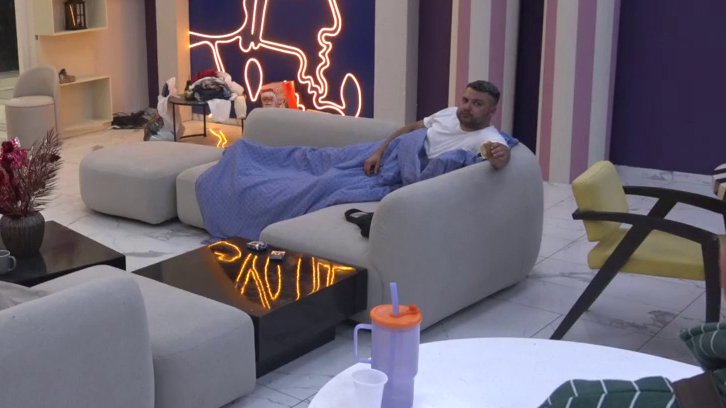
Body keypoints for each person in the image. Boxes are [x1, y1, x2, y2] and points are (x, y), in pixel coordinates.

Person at [364, 80, 510, 175]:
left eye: (477, 104)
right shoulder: (450, 113)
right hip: (393, 153)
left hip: (409, 171)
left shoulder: (488, 137)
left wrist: (502, 155)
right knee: (351, 157)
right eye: (465, 100)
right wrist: (379, 152)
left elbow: (500, 159)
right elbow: (412, 128)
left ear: (492, 111)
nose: (467, 107)